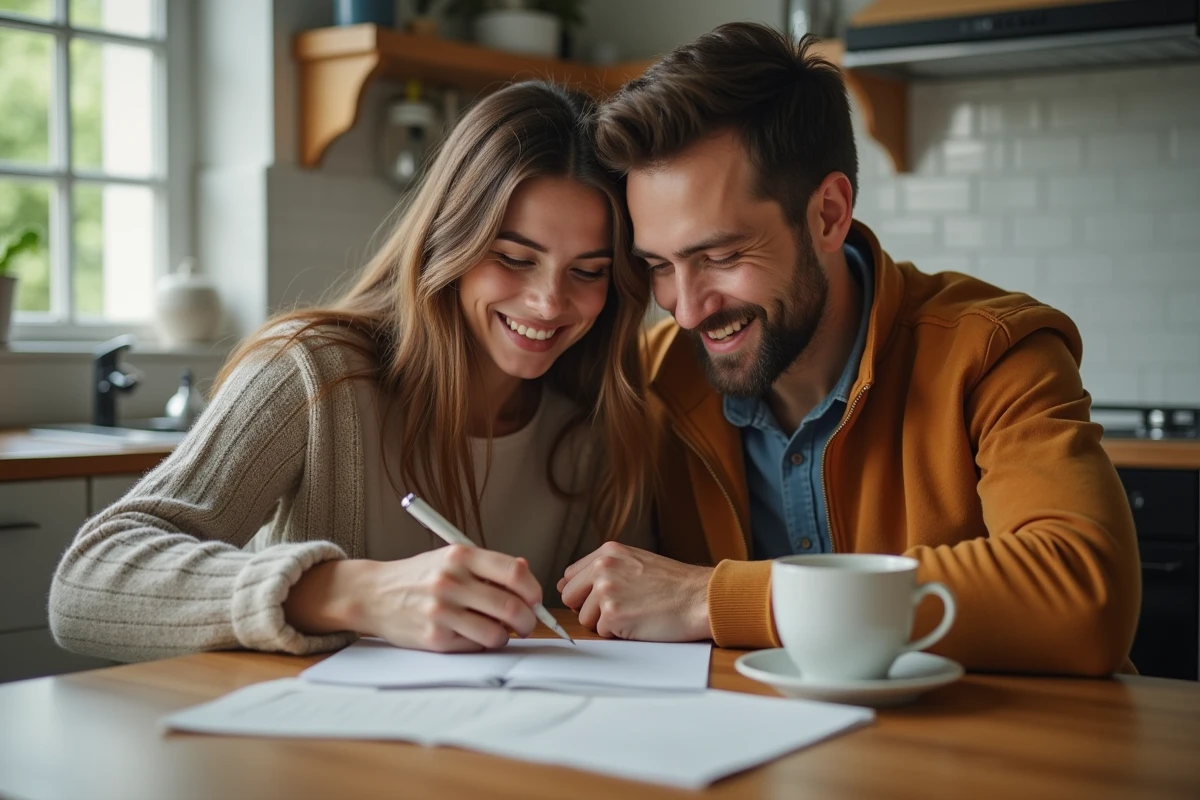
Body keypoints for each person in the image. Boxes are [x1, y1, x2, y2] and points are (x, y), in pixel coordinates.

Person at [557, 22, 1141, 675]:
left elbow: (1085, 594)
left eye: (720, 256)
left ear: (829, 214)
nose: (687, 309)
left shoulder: (994, 350)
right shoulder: (651, 378)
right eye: (659, 265)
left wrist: (713, 598)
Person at [49, 81, 651, 662]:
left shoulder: (596, 426)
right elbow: (86, 584)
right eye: (514, 258)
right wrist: (353, 593)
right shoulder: (312, 374)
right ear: (448, 243)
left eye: (589, 271)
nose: (549, 303)